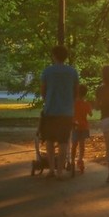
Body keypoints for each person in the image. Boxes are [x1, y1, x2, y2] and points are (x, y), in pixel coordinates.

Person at [40, 45, 79, 179]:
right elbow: (76, 91)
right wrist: (71, 102)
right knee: (63, 141)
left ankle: (51, 169)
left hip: (50, 111)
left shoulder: (47, 71)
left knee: (50, 140)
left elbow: (43, 90)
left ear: (55, 55)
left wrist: (47, 100)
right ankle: (60, 171)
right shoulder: (72, 72)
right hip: (66, 112)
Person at [71, 84, 93, 173]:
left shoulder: (73, 103)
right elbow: (91, 114)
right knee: (82, 144)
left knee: (74, 144)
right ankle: (80, 159)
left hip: (75, 126)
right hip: (84, 126)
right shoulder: (86, 104)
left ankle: (72, 161)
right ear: (85, 93)